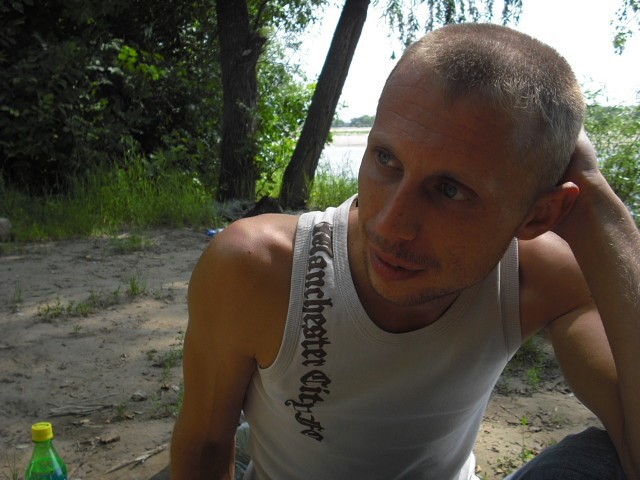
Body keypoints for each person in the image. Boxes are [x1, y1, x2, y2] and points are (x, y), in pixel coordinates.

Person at [170, 23, 640, 480]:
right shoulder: (258, 267)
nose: (389, 225)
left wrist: (596, 204)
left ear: (539, 216)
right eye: (386, 159)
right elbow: (204, 450)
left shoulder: (538, 278)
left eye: (450, 190)